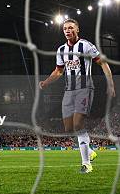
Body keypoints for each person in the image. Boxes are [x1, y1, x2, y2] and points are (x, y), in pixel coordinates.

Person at [39, 18, 115, 173]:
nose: (68, 30)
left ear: (77, 29)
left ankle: (86, 164)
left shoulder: (85, 46)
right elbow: (59, 71)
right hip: (69, 91)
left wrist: (111, 84)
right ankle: (90, 150)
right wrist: (46, 82)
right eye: (65, 28)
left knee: (78, 124)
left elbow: (103, 63)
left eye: (71, 28)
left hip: (84, 88)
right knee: (69, 128)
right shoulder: (61, 50)